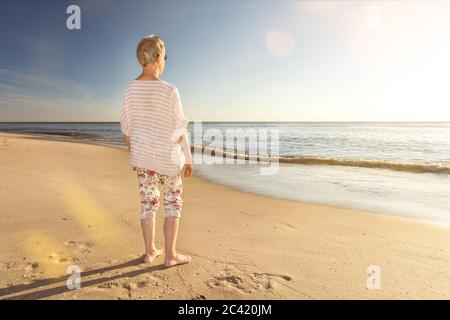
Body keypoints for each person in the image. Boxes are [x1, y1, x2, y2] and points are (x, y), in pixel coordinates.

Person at [119, 34, 193, 268]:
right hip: (168, 161)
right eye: (166, 56)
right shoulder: (170, 90)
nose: (166, 61)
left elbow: (127, 130)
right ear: (159, 58)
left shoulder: (130, 90)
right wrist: (188, 159)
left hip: (143, 160)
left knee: (147, 205)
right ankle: (170, 255)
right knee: (173, 204)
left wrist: (136, 156)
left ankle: (150, 251)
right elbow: (180, 129)